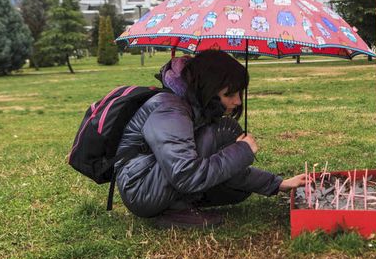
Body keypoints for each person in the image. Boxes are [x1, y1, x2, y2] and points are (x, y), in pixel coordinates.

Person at [115, 50, 307, 229]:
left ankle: (179, 205)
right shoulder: (170, 110)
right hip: (140, 189)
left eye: (239, 93)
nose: (238, 101)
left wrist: (277, 184)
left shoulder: (194, 104)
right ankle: (175, 210)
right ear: (208, 88)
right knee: (225, 131)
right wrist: (241, 151)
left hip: (154, 182)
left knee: (236, 186)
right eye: (229, 94)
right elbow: (184, 174)